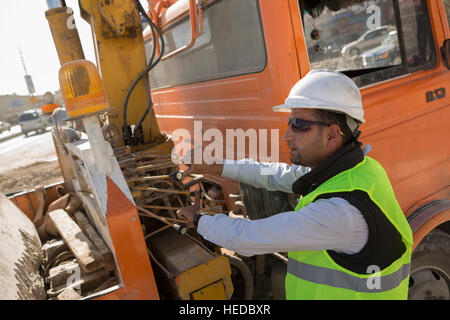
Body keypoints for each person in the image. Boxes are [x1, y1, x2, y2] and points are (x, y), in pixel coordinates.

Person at [177, 70, 413, 300]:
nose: (286, 135)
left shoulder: (339, 214)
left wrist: (199, 219)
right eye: (290, 121)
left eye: (299, 125)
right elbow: (277, 174)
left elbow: (247, 238)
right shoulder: (359, 168)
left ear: (332, 134)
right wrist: (218, 167)